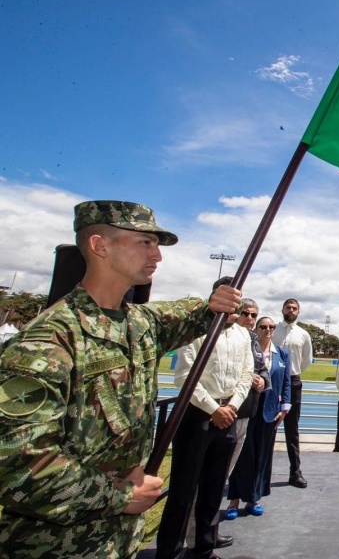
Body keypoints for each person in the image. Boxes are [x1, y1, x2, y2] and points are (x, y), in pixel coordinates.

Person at [0, 200, 241, 559]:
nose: (157, 255)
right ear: (99, 246)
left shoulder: (140, 323)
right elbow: (18, 467)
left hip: (120, 541)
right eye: (145, 242)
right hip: (56, 546)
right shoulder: (46, 343)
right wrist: (120, 496)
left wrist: (215, 303)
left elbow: (190, 315)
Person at [155, 278, 254, 559]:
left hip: (229, 415)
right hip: (198, 416)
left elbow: (247, 375)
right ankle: (170, 552)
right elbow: (185, 377)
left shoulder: (243, 336)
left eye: (239, 300)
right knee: (184, 491)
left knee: (213, 489)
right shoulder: (196, 332)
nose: (236, 306)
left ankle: (204, 549)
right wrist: (214, 410)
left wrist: (231, 407)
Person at [225, 316, 291, 518]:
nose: (268, 330)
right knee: (241, 454)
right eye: (263, 326)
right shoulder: (247, 351)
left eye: (271, 327)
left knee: (262, 456)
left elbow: (286, 381)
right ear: (257, 328)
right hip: (246, 408)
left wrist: (285, 407)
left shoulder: (282, 354)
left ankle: (254, 498)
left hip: (270, 411)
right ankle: (234, 500)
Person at [272, 298, 312, 488]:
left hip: (293, 382)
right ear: (282, 309)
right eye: (288, 307)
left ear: (298, 312)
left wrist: (291, 373)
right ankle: (259, 474)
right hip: (271, 381)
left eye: (294, 308)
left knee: (292, 430)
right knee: (266, 427)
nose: (291, 310)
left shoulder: (303, 334)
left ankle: (295, 472)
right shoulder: (272, 330)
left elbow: (306, 360)